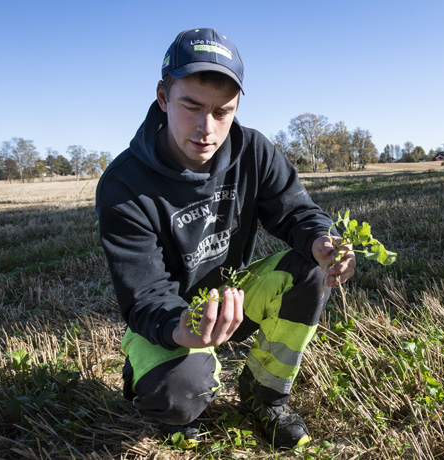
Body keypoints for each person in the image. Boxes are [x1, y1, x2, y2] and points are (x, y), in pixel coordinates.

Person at [95, 28, 356, 449]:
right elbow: (143, 295)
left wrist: (323, 242)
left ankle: (264, 395)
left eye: (223, 111)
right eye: (192, 106)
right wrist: (182, 331)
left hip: (233, 297)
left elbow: (297, 212)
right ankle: (163, 380)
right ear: (163, 97)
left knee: (309, 269)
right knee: (179, 396)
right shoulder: (124, 185)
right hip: (171, 319)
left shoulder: (253, 151)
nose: (207, 128)